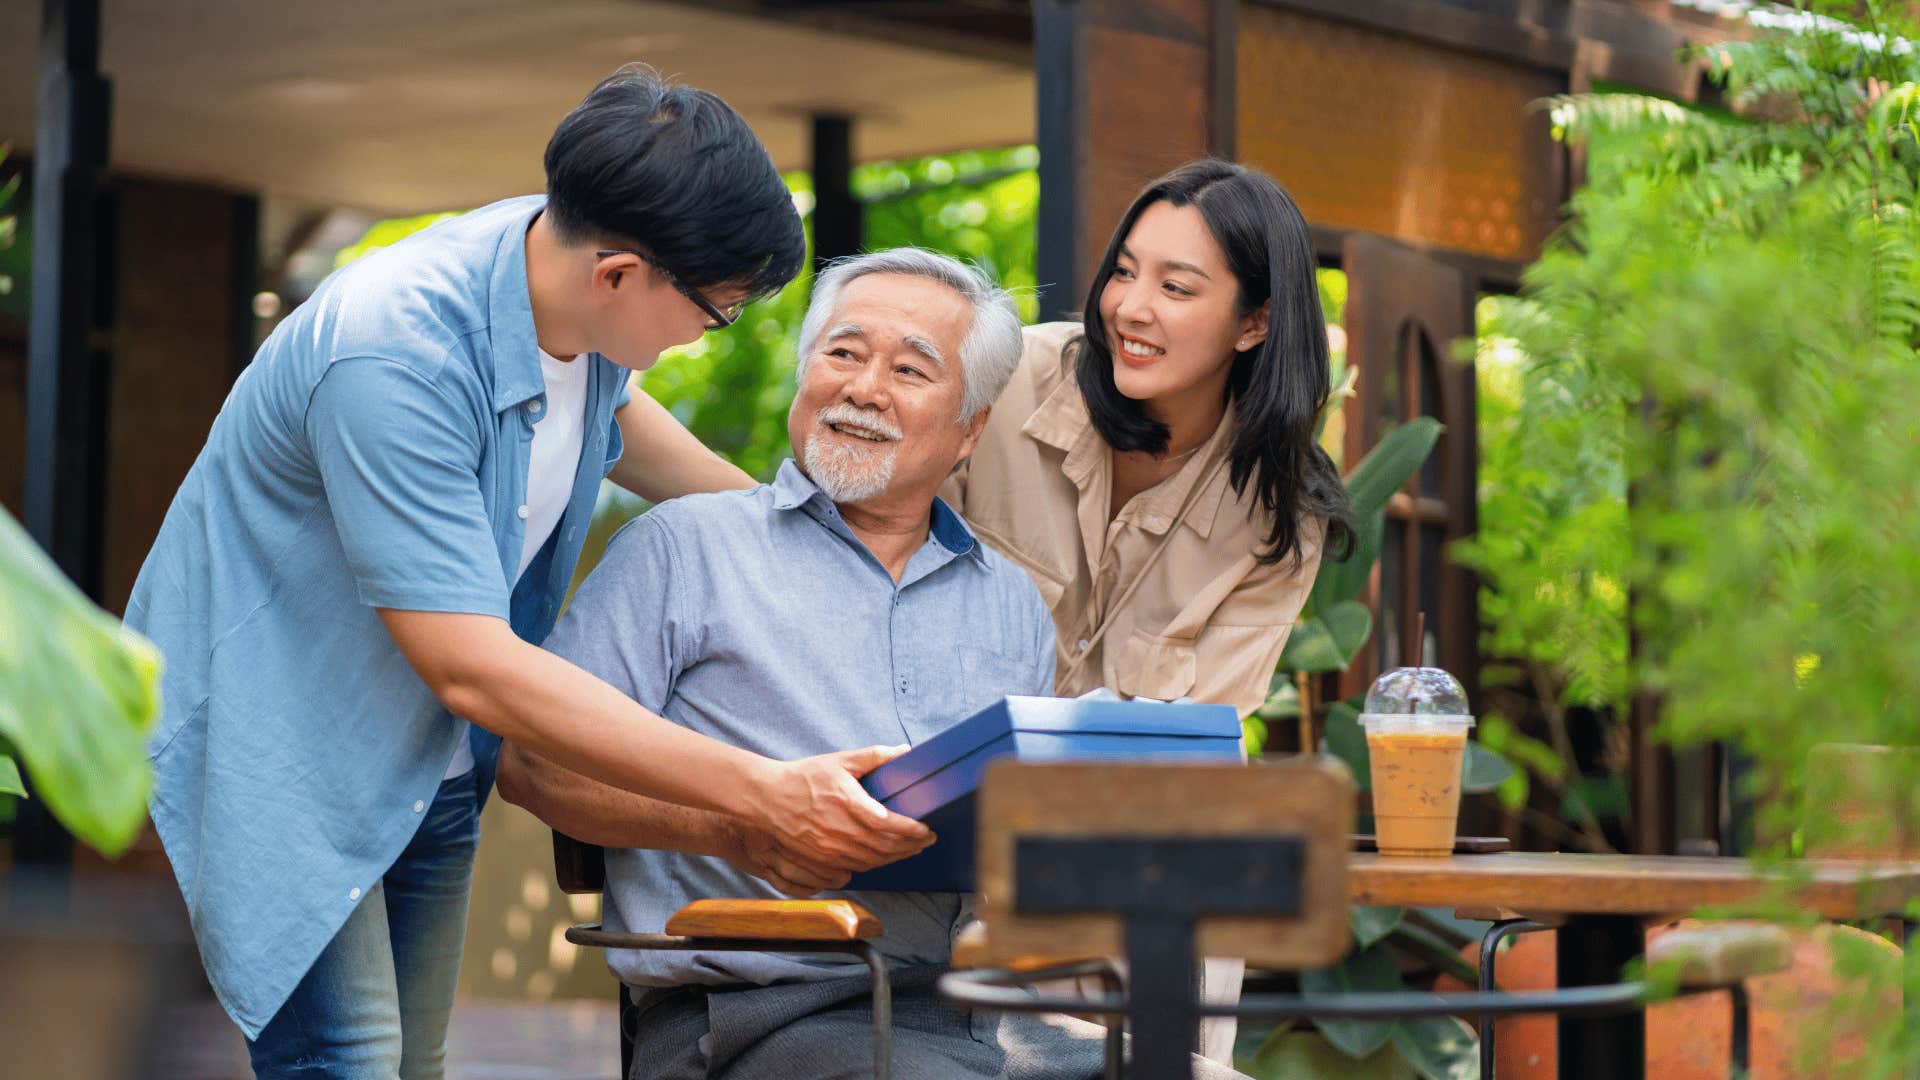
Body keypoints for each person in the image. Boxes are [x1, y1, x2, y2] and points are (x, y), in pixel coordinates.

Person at [126, 67, 928, 1078]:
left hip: (426, 755)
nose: (702, 336)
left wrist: (796, 537)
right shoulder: (396, 356)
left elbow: (614, 413)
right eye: (715, 313)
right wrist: (763, 793)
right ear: (620, 275)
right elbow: (474, 668)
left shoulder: (555, 260)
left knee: (413, 1064)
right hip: (286, 736)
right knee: (348, 1062)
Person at [497, 249, 1248, 1080]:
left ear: (971, 429)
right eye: (843, 353)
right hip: (750, 1014)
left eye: (911, 369)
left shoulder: (1009, 603)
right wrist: (740, 830)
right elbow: (533, 766)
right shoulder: (685, 547)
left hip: (973, 1011)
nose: (863, 388)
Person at [939, 159, 1356, 1063]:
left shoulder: (1281, 517)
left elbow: (1194, 743)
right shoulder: (1009, 380)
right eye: (1125, 271)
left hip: (1129, 845)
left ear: (1256, 322)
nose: (1131, 305)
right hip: (943, 818)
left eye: (1176, 286)